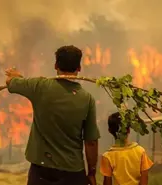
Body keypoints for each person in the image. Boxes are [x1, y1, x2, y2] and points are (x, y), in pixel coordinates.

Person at [5, 45, 100, 185]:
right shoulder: (87, 99)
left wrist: (15, 76)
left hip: (41, 171)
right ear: (79, 68)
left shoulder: (39, 86)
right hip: (72, 172)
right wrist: (91, 173)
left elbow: (11, 83)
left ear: (56, 65)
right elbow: (91, 142)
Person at [100, 112, 153, 185]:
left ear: (109, 131)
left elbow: (107, 182)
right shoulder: (140, 151)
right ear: (129, 130)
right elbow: (145, 177)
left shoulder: (107, 156)